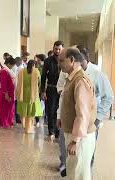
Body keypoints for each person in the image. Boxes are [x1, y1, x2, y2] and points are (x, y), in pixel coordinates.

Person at [57, 47, 96, 180]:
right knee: (74, 171)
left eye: (62, 60)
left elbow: (83, 114)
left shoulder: (80, 80)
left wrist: (75, 140)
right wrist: (60, 117)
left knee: (79, 174)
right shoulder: (72, 78)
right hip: (74, 134)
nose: (59, 64)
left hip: (81, 138)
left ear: (72, 60)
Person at [41, 40, 63, 141]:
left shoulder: (65, 60)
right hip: (51, 88)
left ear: (62, 49)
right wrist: (42, 91)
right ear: (53, 48)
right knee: (50, 110)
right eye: (56, 49)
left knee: (59, 111)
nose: (57, 51)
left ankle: (58, 131)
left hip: (62, 90)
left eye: (59, 49)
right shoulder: (48, 61)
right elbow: (43, 76)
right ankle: (51, 131)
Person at [16, 60, 42, 133]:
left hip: (23, 92)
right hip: (32, 93)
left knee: (24, 110)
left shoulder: (21, 71)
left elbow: (18, 81)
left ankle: (24, 125)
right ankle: (29, 128)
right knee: (31, 111)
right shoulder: (36, 72)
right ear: (34, 65)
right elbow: (39, 82)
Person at [0, 57, 16, 128]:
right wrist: (6, 94)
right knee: (4, 109)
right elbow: (3, 84)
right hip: (5, 93)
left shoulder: (8, 70)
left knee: (10, 109)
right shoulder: (4, 71)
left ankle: (8, 122)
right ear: (8, 64)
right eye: (12, 65)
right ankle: (4, 123)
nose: (12, 67)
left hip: (10, 92)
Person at [34, 54, 46, 127]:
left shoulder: (44, 67)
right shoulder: (36, 67)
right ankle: (37, 120)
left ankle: (44, 119)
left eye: (38, 59)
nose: (37, 60)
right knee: (37, 105)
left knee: (44, 105)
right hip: (37, 89)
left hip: (44, 88)